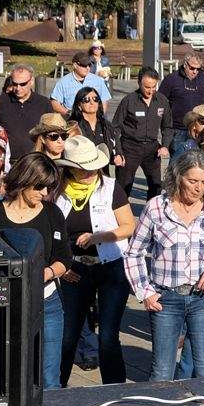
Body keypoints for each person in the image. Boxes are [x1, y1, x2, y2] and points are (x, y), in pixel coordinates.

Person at [124, 149, 204, 381]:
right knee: (162, 372)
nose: (198, 187)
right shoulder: (156, 208)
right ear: (177, 177)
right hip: (166, 300)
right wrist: (145, 292)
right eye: (192, 181)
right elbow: (133, 253)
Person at [0, 153, 72, 389]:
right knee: (4, 371)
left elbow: (64, 258)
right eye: (40, 187)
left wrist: (46, 274)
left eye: (49, 188)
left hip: (46, 302)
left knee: (49, 376)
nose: (45, 194)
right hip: (2, 303)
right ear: (24, 180)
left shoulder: (52, 213)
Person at [54, 136, 135, 385]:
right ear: (69, 167)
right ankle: (57, 388)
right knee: (68, 335)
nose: (90, 172)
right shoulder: (54, 189)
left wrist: (99, 237)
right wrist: (60, 267)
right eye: (82, 168)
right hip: (72, 269)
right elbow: (47, 234)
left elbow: (129, 226)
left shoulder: (110, 187)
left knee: (108, 336)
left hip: (110, 266)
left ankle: (114, 390)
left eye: (93, 166)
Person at [113, 69, 170, 201]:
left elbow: (167, 127)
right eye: (147, 87)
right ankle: (120, 217)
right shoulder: (128, 101)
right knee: (123, 187)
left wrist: (165, 145)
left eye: (154, 87)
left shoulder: (162, 101)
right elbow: (115, 128)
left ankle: (151, 216)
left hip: (152, 149)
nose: (150, 91)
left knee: (156, 187)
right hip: (130, 148)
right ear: (139, 83)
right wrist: (118, 152)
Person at [0, 64, 59, 154]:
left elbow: (51, 132)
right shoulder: (0, 102)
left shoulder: (43, 103)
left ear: (32, 81)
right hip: (6, 159)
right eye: (14, 84)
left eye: (23, 84)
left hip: (34, 159)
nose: (18, 88)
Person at [67, 86, 117, 162]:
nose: (91, 102)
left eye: (95, 99)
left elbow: (115, 143)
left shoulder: (106, 125)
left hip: (103, 169)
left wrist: (118, 155)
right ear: (79, 105)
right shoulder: (73, 126)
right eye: (86, 100)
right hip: (80, 168)